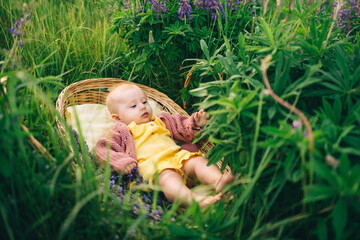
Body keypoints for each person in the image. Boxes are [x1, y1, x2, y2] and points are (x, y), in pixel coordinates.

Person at [95, 83, 234, 208]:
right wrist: (122, 162)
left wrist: (195, 123)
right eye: (133, 106)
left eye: (144, 101)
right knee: (168, 179)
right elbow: (105, 149)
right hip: (156, 168)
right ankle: (194, 200)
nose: (142, 106)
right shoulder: (121, 132)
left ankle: (218, 181)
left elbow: (182, 127)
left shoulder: (161, 119)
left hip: (178, 156)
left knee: (198, 161)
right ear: (118, 118)